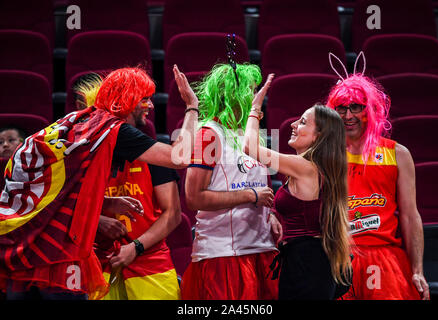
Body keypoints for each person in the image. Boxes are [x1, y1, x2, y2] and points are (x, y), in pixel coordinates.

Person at [0, 65, 198, 300]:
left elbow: (62, 188)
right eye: (145, 99)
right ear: (129, 99)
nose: (151, 106)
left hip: (23, 237)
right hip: (74, 258)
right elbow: (180, 157)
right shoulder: (113, 129)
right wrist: (191, 107)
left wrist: (102, 203)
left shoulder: (82, 124)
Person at [243, 74, 352, 300]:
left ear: (318, 136)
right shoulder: (312, 167)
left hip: (308, 264)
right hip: (307, 261)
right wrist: (274, 215)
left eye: (302, 122)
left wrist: (255, 109)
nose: (293, 124)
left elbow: (250, 147)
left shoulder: (306, 167)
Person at [74, 77, 182, 300]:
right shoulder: (82, 153)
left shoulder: (154, 154)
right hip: (97, 264)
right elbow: (64, 206)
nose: (151, 106)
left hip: (150, 263)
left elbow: (173, 214)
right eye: (144, 100)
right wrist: (98, 220)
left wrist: (136, 247)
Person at [181, 63, 282, 300]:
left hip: (261, 249)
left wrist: (271, 214)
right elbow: (194, 198)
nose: (255, 96)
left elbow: (259, 187)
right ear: (231, 94)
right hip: (224, 254)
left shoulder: (249, 135)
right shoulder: (209, 134)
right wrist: (249, 195)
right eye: (250, 89)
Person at [326, 69, 429, 300]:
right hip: (338, 255)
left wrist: (417, 270)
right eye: (341, 108)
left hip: (384, 257)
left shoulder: (398, 154)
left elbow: (410, 216)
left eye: (356, 107)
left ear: (370, 110)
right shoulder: (324, 155)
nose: (348, 115)